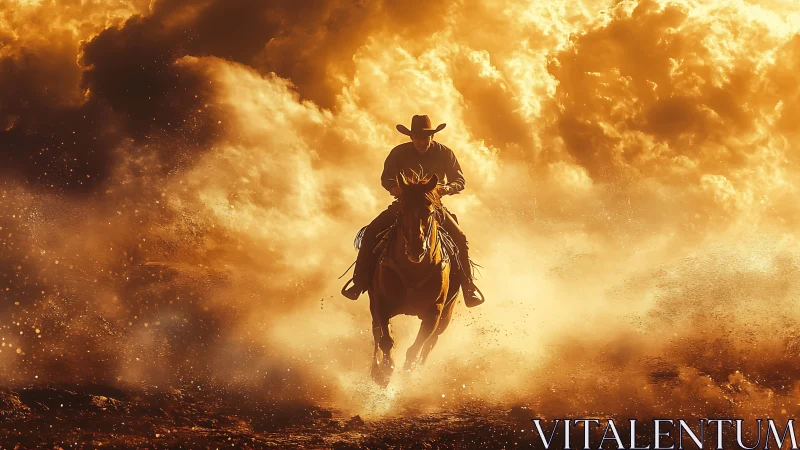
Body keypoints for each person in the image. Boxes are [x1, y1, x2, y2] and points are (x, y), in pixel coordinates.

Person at [341, 115, 485, 307]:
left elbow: (459, 181)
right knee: (370, 233)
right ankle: (358, 283)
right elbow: (387, 178)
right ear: (411, 137)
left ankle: (468, 287)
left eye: (425, 138)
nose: (422, 141)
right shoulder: (398, 153)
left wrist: (445, 189)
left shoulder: (445, 153)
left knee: (460, 238)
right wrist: (395, 189)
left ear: (432, 137)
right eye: (418, 137)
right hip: (404, 206)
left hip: (433, 207)